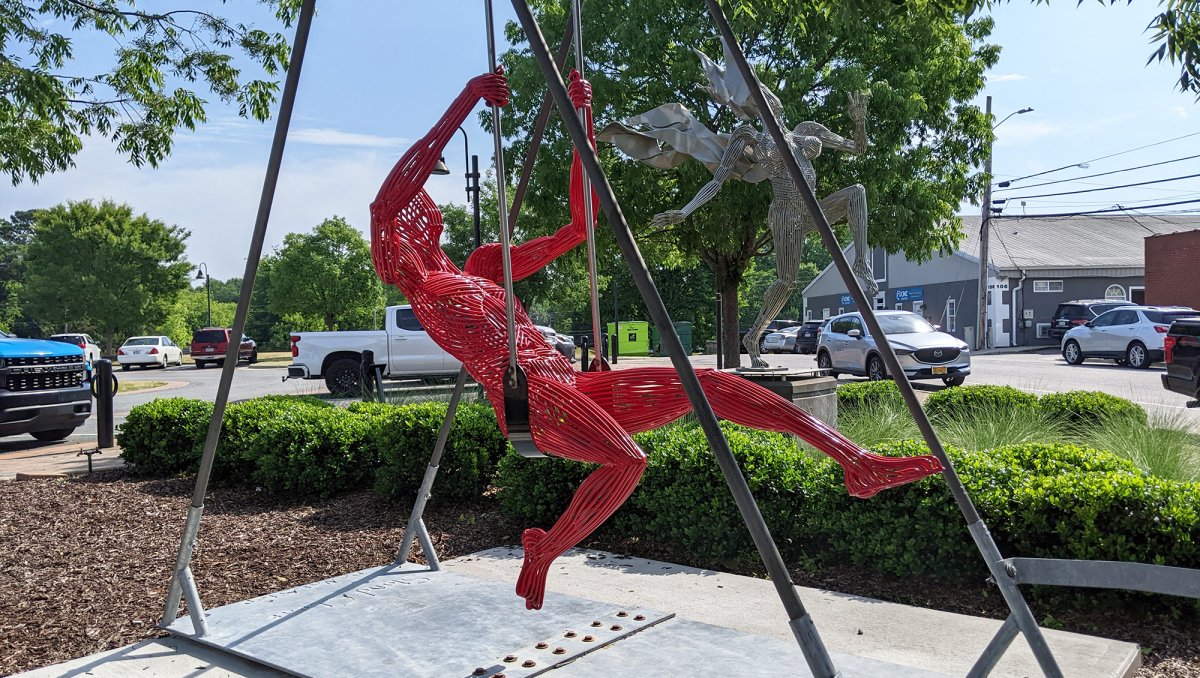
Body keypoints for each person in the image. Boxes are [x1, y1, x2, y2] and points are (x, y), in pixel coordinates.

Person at [370, 69, 942, 611]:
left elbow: (577, 227)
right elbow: (394, 191)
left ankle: (855, 462)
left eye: (423, 209)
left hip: (570, 382)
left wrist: (581, 124)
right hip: (530, 402)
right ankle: (547, 547)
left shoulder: (483, 265)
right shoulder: (413, 277)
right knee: (627, 461)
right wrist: (469, 96)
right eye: (413, 209)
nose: (423, 211)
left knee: (711, 383)